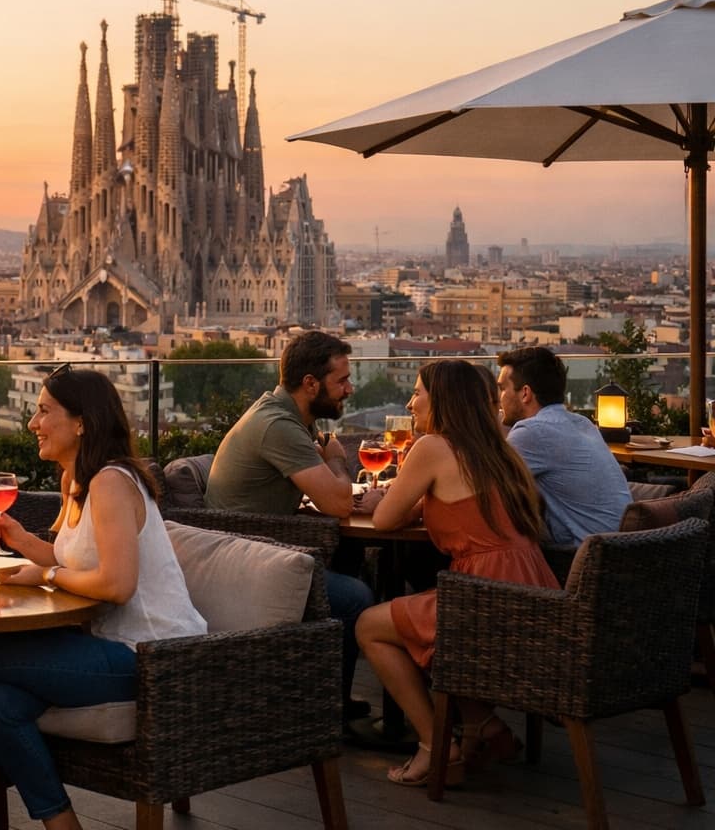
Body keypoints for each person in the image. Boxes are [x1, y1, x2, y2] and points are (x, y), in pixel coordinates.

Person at [0, 366, 209, 830]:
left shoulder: (110, 482)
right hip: (112, 646)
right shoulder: (76, 480)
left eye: (43, 411)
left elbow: (116, 584)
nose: (32, 423)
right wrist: (23, 541)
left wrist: (46, 574)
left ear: (81, 422)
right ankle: (62, 825)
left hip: (155, 657)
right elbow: (74, 560)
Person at [356, 360, 559, 787]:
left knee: (370, 626)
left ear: (442, 401)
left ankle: (436, 745)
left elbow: (385, 520)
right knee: (429, 625)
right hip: (534, 591)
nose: (410, 404)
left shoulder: (432, 446)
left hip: (484, 596)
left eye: (417, 393)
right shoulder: (500, 450)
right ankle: (482, 727)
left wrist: (394, 501)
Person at [204, 330, 374, 721]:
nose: (349, 390)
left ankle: (318, 695)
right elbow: (336, 502)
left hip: (257, 546)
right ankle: (331, 710)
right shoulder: (279, 425)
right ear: (310, 384)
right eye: (342, 381)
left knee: (350, 553)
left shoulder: (290, 417)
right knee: (355, 598)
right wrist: (336, 459)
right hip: (241, 563)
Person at [497, 346, 631, 544]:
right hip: (626, 547)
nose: (499, 397)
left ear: (525, 393)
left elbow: (485, 487)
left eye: (502, 388)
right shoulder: (582, 423)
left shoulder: (532, 432)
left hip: (583, 554)